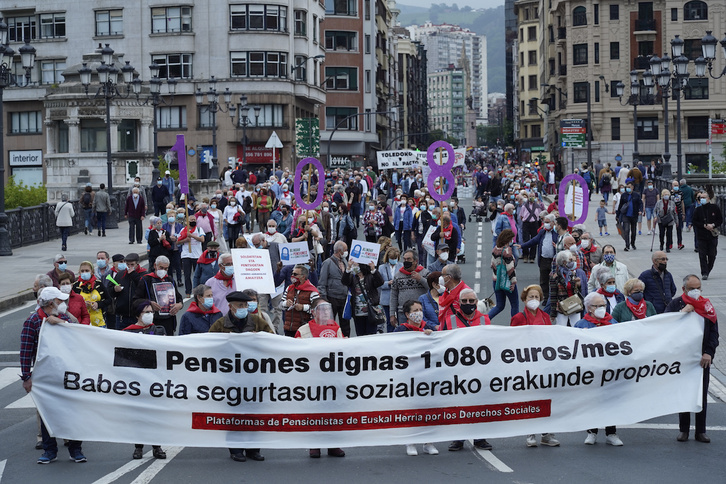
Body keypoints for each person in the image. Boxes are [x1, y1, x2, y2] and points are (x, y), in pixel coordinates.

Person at [21, 287, 87, 464]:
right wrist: (26, 377)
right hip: (45, 377)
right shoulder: (33, 321)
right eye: (60, 300)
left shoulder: (63, 318)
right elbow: (26, 351)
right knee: (47, 414)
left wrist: (60, 323)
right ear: (51, 303)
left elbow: (78, 336)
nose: (63, 304)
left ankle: (75, 449)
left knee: (73, 412)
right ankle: (50, 451)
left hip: (67, 374)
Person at [209, 291, 271, 462]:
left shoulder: (257, 322)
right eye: (240, 306)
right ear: (230, 307)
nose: (244, 308)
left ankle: (253, 449)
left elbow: (272, 341)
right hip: (231, 377)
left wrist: (259, 339)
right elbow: (209, 347)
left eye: (245, 306)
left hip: (254, 376)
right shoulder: (221, 324)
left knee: (254, 412)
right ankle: (235, 448)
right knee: (234, 412)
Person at [666, 275, 719, 443]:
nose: (696, 292)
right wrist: (682, 313)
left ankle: (701, 431)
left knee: (701, 394)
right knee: (684, 393)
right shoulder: (676, 304)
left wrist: (709, 353)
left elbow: (714, 334)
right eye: (692, 289)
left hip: (702, 358)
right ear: (684, 289)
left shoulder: (707, 306)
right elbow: (666, 326)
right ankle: (684, 430)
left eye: (698, 288)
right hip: (683, 358)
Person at [294, 300, 346, 458]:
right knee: (315, 412)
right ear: (314, 312)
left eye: (328, 310)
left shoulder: (336, 329)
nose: (325, 313)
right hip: (313, 379)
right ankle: (314, 444)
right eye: (322, 310)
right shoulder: (303, 331)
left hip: (333, 377)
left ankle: (333, 444)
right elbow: (295, 354)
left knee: (333, 412)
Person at [441, 288, 492, 451]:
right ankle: (458, 438)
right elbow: (439, 343)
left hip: (479, 370)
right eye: (464, 301)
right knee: (458, 404)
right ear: (459, 303)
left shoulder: (485, 320)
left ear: (477, 303)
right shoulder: (450, 321)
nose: (468, 304)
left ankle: (480, 438)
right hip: (457, 370)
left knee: (479, 403)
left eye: (471, 301)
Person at [573, 292, 623, 446]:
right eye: (597, 306)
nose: (601, 308)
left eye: (603, 305)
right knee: (592, 401)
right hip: (591, 371)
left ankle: (611, 433)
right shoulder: (581, 325)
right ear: (589, 308)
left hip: (610, 369)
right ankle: (592, 432)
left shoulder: (613, 322)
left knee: (611, 401)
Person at [121, 300, 167, 459]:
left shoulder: (159, 330)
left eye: (150, 311)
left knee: (155, 415)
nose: (150, 315)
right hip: (137, 380)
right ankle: (138, 447)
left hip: (156, 379)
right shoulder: (128, 333)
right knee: (139, 415)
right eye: (146, 312)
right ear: (137, 315)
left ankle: (157, 446)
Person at [392, 299, 438, 456]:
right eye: (415, 310)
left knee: (428, 408)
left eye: (420, 310)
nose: (419, 313)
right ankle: (410, 442)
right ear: (407, 314)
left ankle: (428, 442)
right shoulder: (400, 330)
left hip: (427, 375)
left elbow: (440, 345)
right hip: (409, 375)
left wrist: (432, 337)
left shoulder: (429, 328)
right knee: (411, 409)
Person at [133, 256, 183, 335]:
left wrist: (179, 305)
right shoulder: (146, 280)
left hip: (169, 321)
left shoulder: (170, 280)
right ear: (155, 266)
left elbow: (179, 298)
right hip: (152, 321)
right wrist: (149, 303)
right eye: (161, 267)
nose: (163, 271)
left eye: (166, 268)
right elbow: (135, 301)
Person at [519, 213, 558, 301]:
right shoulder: (542, 232)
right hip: (544, 259)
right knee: (543, 281)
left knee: (554, 281)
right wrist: (522, 246)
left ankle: (553, 299)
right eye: (544, 222)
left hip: (553, 261)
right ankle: (545, 297)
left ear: (553, 223)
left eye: (547, 222)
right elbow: (534, 240)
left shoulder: (556, 233)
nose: (545, 224)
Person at [341, 260, 383, 336]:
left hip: (371, 312)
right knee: (360, 336)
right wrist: (348, 268)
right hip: (358, 313)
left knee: (371, 335)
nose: (355, 267)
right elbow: (344, 282)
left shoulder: (370, 277)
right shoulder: (353, 278)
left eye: (356, 265)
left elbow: (380, 282)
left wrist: (373, 270)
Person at [318, 241, 351, 336]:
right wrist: (324, 298)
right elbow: (322, 281)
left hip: (344, 297)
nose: (346, 252)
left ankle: (346, 340)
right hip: (332, 296)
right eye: (345, 250)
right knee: (330, 322)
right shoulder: (327, 263)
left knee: (345, 323)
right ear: (339, 251)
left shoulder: (345, 261)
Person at [389, 250, 430, 326]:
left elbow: (431, 288)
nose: (406, 261)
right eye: (404, 259)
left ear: (415, 261)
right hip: (403, 313)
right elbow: (393, 295)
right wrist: (392, 314)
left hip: (420, 312)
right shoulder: (398, 275)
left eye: (409, 259)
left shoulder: (424, 273)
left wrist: (420, 279)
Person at [549, 250, 588, 326]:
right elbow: (553, 295)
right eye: (570, 260)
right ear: (564, 262)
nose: (572, 262)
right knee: (562, 328)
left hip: (575, 304)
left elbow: (578, 292)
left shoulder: (572, 274)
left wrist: (578, 285)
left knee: (576, 327)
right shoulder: (555, 276)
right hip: (562, 307)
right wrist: (553, 313)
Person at [488, 229, 519, 321]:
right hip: (507, 282)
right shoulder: (507, 251)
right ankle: (515, 324)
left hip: (496, 281)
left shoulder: (495, 249)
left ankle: (485, 320)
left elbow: (492, 265)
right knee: (514, 305)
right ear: (508, 239)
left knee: (499, 305)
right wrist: (513, 282)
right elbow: (510, 269)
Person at [281, 265, 320, 337]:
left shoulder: (312, 291)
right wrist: (286, 303)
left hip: (303, 329)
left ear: (303, 276)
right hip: (289, 328)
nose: (292, 276)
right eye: (292, 274)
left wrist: (303, 307)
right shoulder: (289, 288)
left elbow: (317, 309)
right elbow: (280, 305)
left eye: (295, 274)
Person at [692, 190, 723, 280]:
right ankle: (704, 272)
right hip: (701, 235)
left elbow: (720, 220)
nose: (702, 199)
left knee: (712, 255)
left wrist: (713, 225)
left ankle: (708, 269)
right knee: (702, 255)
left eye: (704, 198)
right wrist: (703, 225)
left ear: (708, 198)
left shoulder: (715, 208)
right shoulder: (698, 210)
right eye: (701, 198)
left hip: (712, 235)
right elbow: (695, 221)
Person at [73, 261, 112, 328]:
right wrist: (82, 304)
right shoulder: (76, 286)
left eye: (87, 271)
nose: (84, 273)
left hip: (98, 322)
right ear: (79, 272)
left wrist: (98, 304)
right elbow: (72, 302)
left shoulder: (99, 284)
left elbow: (109, 300)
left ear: (92, 272)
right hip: (82, 323)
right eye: (82, 271)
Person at [177, 216, 206, 297]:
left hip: (197, 255)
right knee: (187, 275)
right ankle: (188, 291)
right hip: (186, 255)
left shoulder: (199, 229)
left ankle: (198, 290)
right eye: (191, 220)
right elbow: (177, 242)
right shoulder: (183, 230)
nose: (193, 221)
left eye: (194, 220)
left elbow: (202, 239)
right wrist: (185, 240)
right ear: (187, 221)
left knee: (197, 275)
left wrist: (192, 236)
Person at [617, 182, 642, 251]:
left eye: (629, 187)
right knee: (626, 230)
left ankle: (633, 243)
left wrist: (640, 210)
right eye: (627, 187)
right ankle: (627, 245)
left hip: (634, 215)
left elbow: (640, 203)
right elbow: (620, 205)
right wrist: (618, 215)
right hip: (626, 215)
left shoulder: (636, 195)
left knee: (633, 231)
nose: (628, 188)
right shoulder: (624, 195)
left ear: (632, 187)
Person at [670, 180, 686, 250]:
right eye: (675, 185)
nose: (676, 187)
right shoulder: (670, 193)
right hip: (671, 212)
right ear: (672, 186)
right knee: (670, 228)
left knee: (679, 228)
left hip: (679, 211)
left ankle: (679, 243)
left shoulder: (680, 193)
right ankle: (670, 243)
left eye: (677, 185)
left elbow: (682, 202)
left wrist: (683, 213)